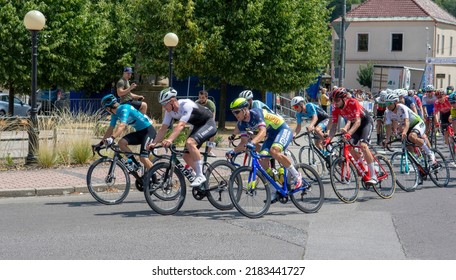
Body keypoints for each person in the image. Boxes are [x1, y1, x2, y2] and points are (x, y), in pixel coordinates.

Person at [225, 97, 302, 197]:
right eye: (233, 113)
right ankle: (275, 188)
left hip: (282, 129)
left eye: (237, 112)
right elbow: (243, 142)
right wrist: (233, 151)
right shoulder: (241, 124)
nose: (235, 115)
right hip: (271, 135)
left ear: (244, 110)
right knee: (262, 160)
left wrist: (252, 142)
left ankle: (297, 176)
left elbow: (262, 131)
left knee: (274, 151)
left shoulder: (256, 113)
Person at [148, 88, 217, 187]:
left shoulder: (186, 105)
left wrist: (169, 140)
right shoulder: (169, 112)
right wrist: (154, 143)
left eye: (164, 104)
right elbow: (163, 129)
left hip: (208, 123)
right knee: (186, 155)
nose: (163, 107)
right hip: (198, 126)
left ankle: (200, 175)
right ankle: (201, 177)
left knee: (190, 143)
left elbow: (181, 125)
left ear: (172, 101)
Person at [325, 87, 378, 185]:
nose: (335, 103)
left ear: (344, 99)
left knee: (363, 146)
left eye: (337, 100)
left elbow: (358, 122)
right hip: (355, 126)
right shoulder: (335, 109)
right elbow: (334, 127)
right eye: (333, 100)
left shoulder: (353, 102)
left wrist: (348, 134)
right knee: (348, 146)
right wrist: (328, 139)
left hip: (365, 123)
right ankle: (362, 163)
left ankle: (373, 176)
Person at [382, 92, 440, 171]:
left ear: (395, 102)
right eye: (386, 103)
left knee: (411, 136)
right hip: (408, 126)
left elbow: (407, 122)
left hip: (417, 123)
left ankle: (430, 153)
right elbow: (388, 127)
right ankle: (420, 162)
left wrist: (404, 132)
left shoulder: (402, 107)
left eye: (389, 103)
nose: (387, 105)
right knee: (408, 145)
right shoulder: (387, 112)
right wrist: (387, 139)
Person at [100, 94, 156, 173]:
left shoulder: (124, 108)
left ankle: (156, 180)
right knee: (121, 143)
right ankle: (135, 164)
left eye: (105, 109)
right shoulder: (114, 115)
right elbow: (110, 129)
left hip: (149, 131)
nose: (106, 110)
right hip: (140, 132)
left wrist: (112, 138)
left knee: (143, 158)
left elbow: (122, 125)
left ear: (109, 107)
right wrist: (101, 143)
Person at [195, 90, 217, 157]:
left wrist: (210, 126)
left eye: (203, 97)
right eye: (200, 97)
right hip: (199, 120)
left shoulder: (211, 104)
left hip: (208, 120)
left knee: (213, 134)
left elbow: (213, 117)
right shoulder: (196, 103)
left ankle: (209, 151)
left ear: (206, 98)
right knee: (191, 129)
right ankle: (190, 148)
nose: (201, 99)